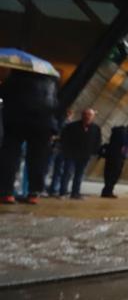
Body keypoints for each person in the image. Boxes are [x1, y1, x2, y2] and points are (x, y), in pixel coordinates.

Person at [0, 70, 60, 205]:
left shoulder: (16, 76)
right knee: (38, 159)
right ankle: (34, 193)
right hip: (43, 123)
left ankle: (6, 192)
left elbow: (3, 94)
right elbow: (55, 104)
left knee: (10, 155)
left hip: (17, 120)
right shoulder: (51, 81)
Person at [53, 108, 102, 199]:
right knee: (67, 172)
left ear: (93, 117)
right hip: (71, 154)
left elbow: (97, 141)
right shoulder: (72, 126)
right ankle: (62, 192)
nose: (87, 116)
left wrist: (94, 152)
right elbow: (64, 138)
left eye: (90, 115)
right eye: (85, 114)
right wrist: (65, 150)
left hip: (85, 155)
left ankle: (75, 193)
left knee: (79, 174)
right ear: (82, 115)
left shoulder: (96, 128)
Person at [100, 122, 128, 198]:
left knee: (114, 174)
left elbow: (126, 144)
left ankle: (108, 191)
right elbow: (123, 142)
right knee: (112, 174)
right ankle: (107, 192)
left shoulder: (125, 133)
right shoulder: (122, 132)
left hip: (118, 156)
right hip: (116, 156)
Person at [45, 108, 73, 197]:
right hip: (58, 148)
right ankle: (51, 188)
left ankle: (50, 188)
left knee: (52, 169)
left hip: (58, 149)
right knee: (54, 169)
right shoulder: (65, 124)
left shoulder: (62, 123)